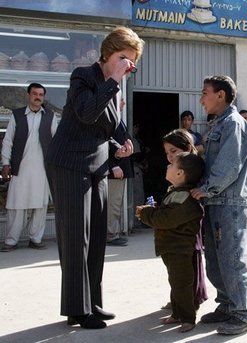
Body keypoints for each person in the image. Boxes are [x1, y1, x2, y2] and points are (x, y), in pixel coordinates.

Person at [45, 26, 144, 329]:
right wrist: (114, 80)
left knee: (98, 237)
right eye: (124, 59)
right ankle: (77, 309)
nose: (129, 67)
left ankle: (93, 303)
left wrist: (120, 146)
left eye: (132, 62)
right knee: (77, 238)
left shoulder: (112, 89)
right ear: (108, 54)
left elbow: (103, 130)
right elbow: (86, 113)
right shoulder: (83, 76)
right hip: (70, 164)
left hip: (97, 166)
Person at [191, 75, 247, 335]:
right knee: (216, 259)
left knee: (231, 258)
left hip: (228, 201)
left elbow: (229, 165)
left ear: (221, 95)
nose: (201, 99)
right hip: (215, 200)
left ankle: (245, 313)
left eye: (205, 92)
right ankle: (228, 305)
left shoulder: (234, 123)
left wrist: (206, 188)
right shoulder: (218, 124)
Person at [136, 152, 205, 333]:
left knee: (182, 284)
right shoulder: (176, 192)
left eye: (171, 164)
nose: (167, 166)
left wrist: (146, 214)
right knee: (175, 282)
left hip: (179, 249)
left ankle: (188, 319)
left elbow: (167, 219)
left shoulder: (186, 198)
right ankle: (177, 314)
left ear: (180, 173)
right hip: (171, 248)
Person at [0, 83, 57, 252]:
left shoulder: (50, 116)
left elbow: (55, 142)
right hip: (21, 169)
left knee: (40, 206)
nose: (38, 97)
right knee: (16, 205)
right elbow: (8, 141)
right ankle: (11, 241)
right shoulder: (17, 115)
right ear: (28, 95)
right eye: (35, 93)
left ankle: (36, 238)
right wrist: (5, 163)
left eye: (41, 94)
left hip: (42, 170)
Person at [159, 128, 208, 312]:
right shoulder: (178, 171)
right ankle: (181, 299)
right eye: (167, 153)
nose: (170, 157)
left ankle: (191, 300)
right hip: (177, 232)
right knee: (178, 268)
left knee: (190, 262)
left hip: (188, 229)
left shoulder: (193, 172)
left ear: (187, 147)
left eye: (174, 151)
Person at [106, 121, 134, 246]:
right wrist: (113, 166)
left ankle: (113, 233)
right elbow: (103, 144)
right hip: (114, 170)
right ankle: (111, 235)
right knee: (113, 203)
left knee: (116, 203)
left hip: (121, 168)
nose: (122, 103)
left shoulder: (118, 120)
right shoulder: (109, 120)